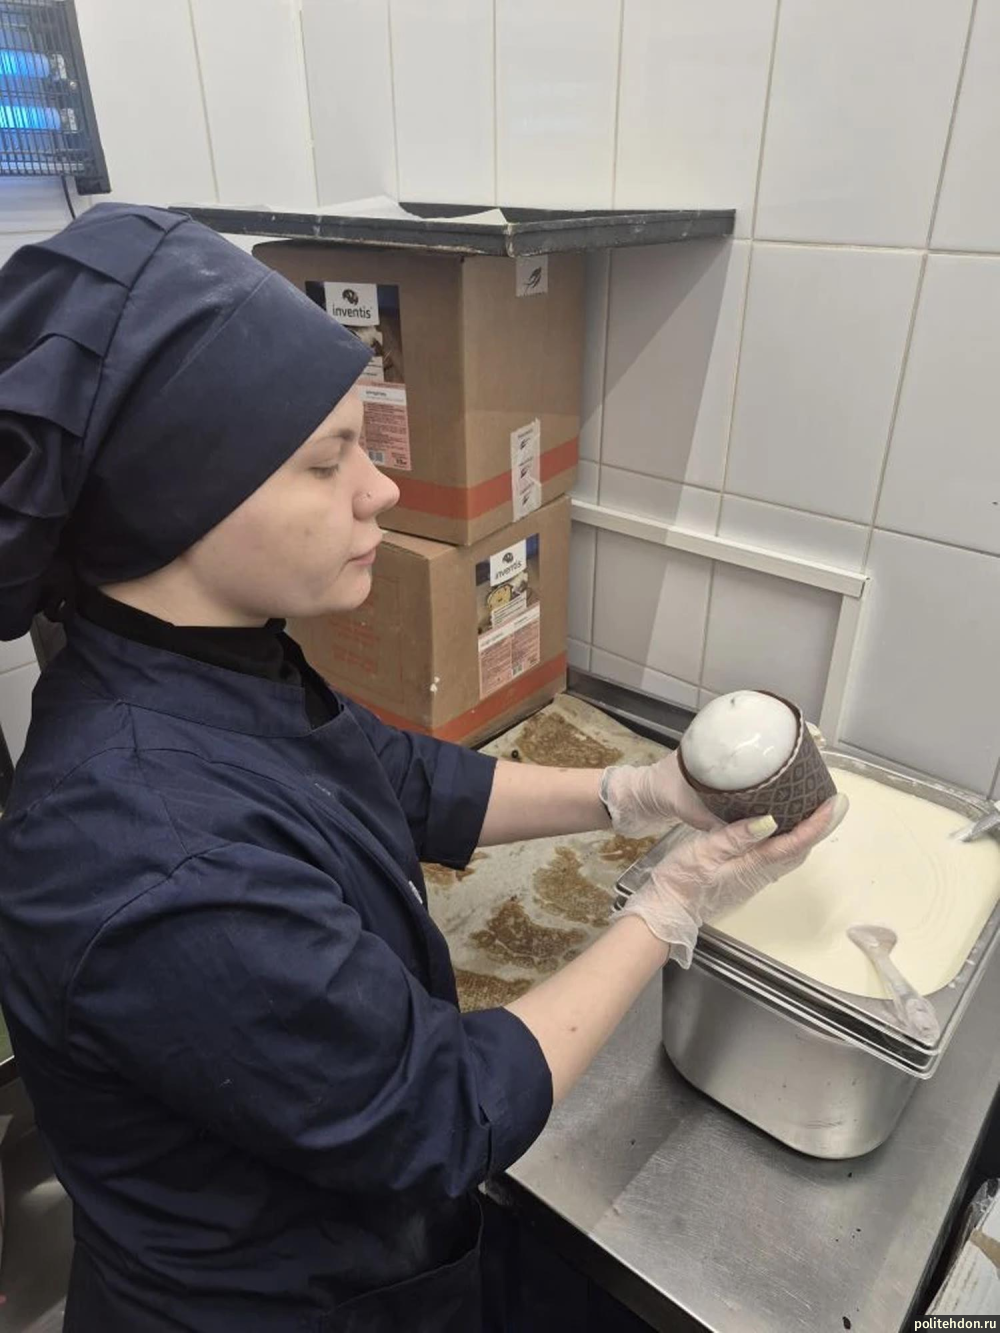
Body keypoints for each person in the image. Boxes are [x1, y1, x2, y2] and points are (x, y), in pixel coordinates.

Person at [0, 205, 847, 1333]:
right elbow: (440, 1110)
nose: (382, 489)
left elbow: (395, 775)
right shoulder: (142, 854)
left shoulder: (199, 657)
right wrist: (669, 905)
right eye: (327, 461)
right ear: (173, 496)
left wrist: (636, 795)